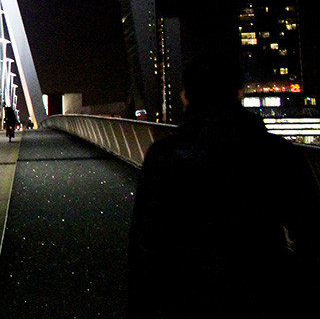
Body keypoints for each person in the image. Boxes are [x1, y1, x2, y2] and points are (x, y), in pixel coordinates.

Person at [127, 59, 320, 319]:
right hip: (260, 290)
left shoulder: (164, 156)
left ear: (186, 97)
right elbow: (309, 231)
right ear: (239, 92)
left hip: (186, 294)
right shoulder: (278, 153)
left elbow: (146, 238)